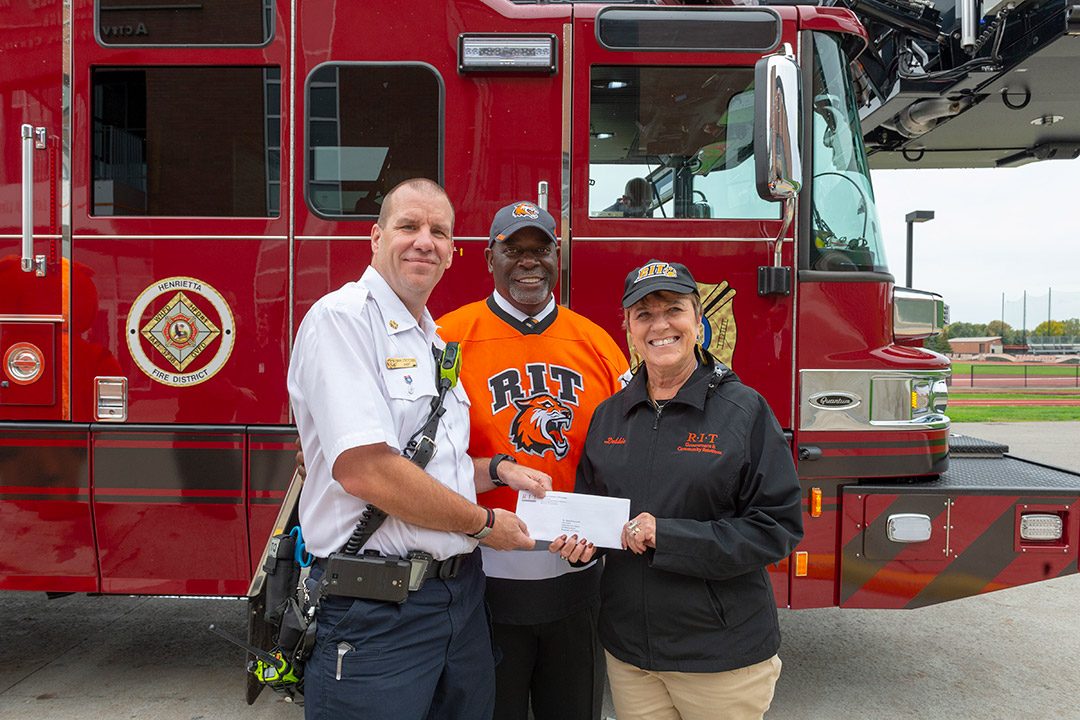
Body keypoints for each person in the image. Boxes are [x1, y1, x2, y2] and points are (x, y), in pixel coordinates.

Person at [287, 179, 552, 720]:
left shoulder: (432, 340)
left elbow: (431, 467)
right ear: (375, 237)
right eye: (409, 226)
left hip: (458, 604)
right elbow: (368, 473)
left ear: (453, 254)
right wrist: (483, 524)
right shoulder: (343, 320)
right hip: (375, 610)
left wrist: (498, 470)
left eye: (439, 232)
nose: (424, 241)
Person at [551, 260, 803, 720]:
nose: (660, 324)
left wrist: (668, 536)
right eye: (643, 314)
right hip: (630, 656)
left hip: (719, 656)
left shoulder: (743, 410)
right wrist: (578, 546)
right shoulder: (609, 416)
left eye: (674, 309)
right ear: (627, 327)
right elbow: (592, 516)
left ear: (699, 320)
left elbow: (776, 528)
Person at [437, 200, 628, 720]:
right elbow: (422, 451)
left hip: (575, 578)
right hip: (479, 579)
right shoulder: (448, 338)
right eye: (513, 250)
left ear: (557, 256)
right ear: (488, 257)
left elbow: (627, 453)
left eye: (540, 249)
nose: (528, 261)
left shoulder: (598, 345)